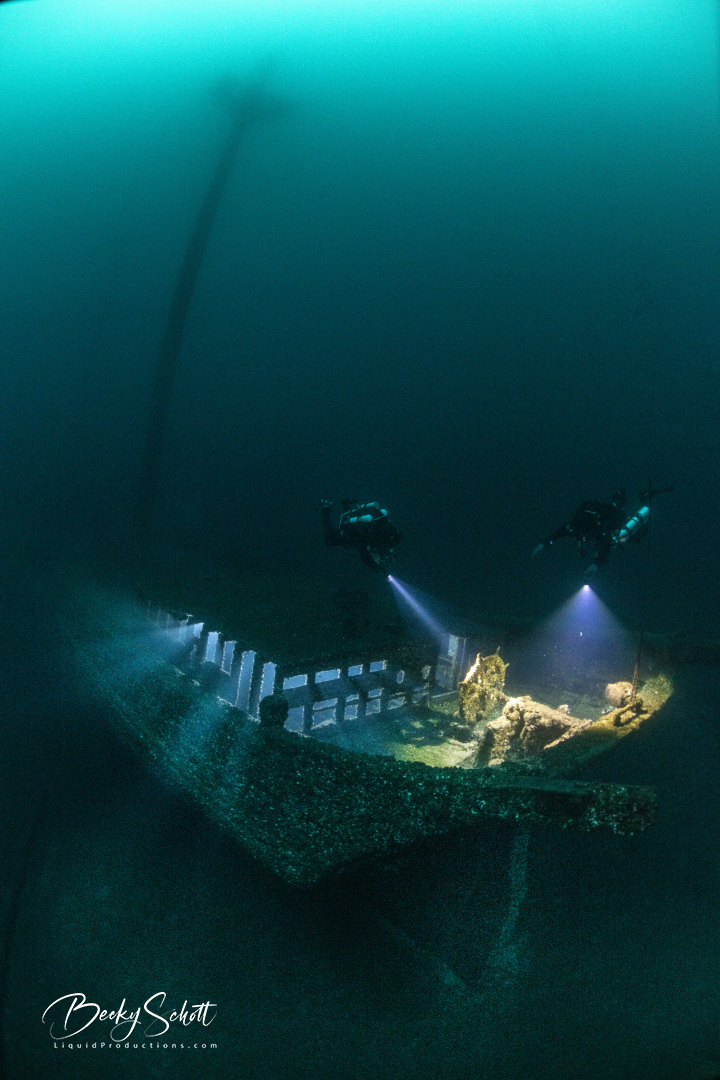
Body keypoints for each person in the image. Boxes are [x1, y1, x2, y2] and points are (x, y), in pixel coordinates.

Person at [532, 485, 671, 577]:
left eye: (583, 535)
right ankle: (644, 503)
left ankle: (646, 504)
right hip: (610, 519)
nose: (582, 538)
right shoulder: (575, 526)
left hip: (615, 523)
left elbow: (604, 544)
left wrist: (595, 564)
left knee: (626, 537)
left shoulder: (595, 528)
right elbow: (557, 534)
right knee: (624, 536)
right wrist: (542, 545)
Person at [321, 498, 401, 573]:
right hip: (349, 535)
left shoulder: (383, 533)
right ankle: (326, 507)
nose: (382, 560)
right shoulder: (376, 539)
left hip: (357, 528)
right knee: (330, 538)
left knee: (352, 523)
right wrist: (376, 568)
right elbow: (364, 555)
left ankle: (345, 504)